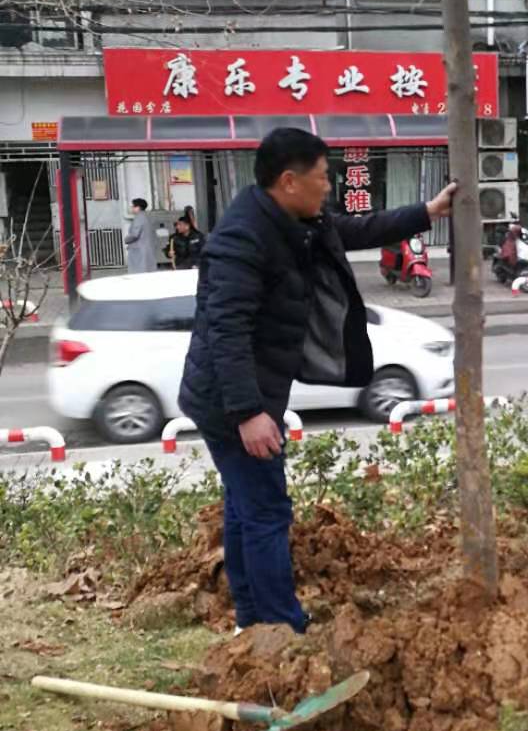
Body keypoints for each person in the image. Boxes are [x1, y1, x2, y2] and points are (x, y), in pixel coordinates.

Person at [178, 128, 456, 634]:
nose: (329, 187)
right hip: (230, 400)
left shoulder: (293, 218)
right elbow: (226, 330)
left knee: (245, 506)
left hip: (246, 392)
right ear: (289, 181)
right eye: (323, 178)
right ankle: (280, 626)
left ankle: (251, 620)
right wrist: (249, 413)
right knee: (266, 510)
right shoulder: (243, 238)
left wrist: (427, 212)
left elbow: (356, 229)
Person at [124, 198, 158, 273]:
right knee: (147, 271)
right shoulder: (148, 216)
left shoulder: (139, 218)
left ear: (138, 207)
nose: (132, 208)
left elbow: (134, 235)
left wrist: (126, 240)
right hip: (147, 249)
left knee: (138, 272)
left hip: (139, 250)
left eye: (133, 206)